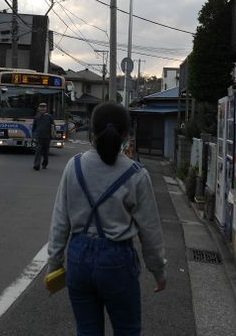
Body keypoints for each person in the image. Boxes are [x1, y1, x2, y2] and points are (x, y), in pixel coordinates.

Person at [46, 102, 167, 336]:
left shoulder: (75, 166)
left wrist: (54, 264)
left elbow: (60, 220)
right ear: (126, 134)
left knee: (87, 331)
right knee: (127, 330)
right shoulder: (136, 174)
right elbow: (150, 231)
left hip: (78, 259)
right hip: (118, 261)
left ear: (91, 132)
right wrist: (159, 271)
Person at [32, 102, 54, 170]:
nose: (42, 108)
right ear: (38, 108)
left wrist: (52, 135)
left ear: (46, 108)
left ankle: (45, 164)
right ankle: (36, 165)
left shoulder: (49, 117)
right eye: (41, 107)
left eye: (44, 107)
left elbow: (53, 126)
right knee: (38, 151)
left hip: (47, 137)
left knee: (45, 152)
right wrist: (33, 136)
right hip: (39, 137)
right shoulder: (36, 117)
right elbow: (34, 128)